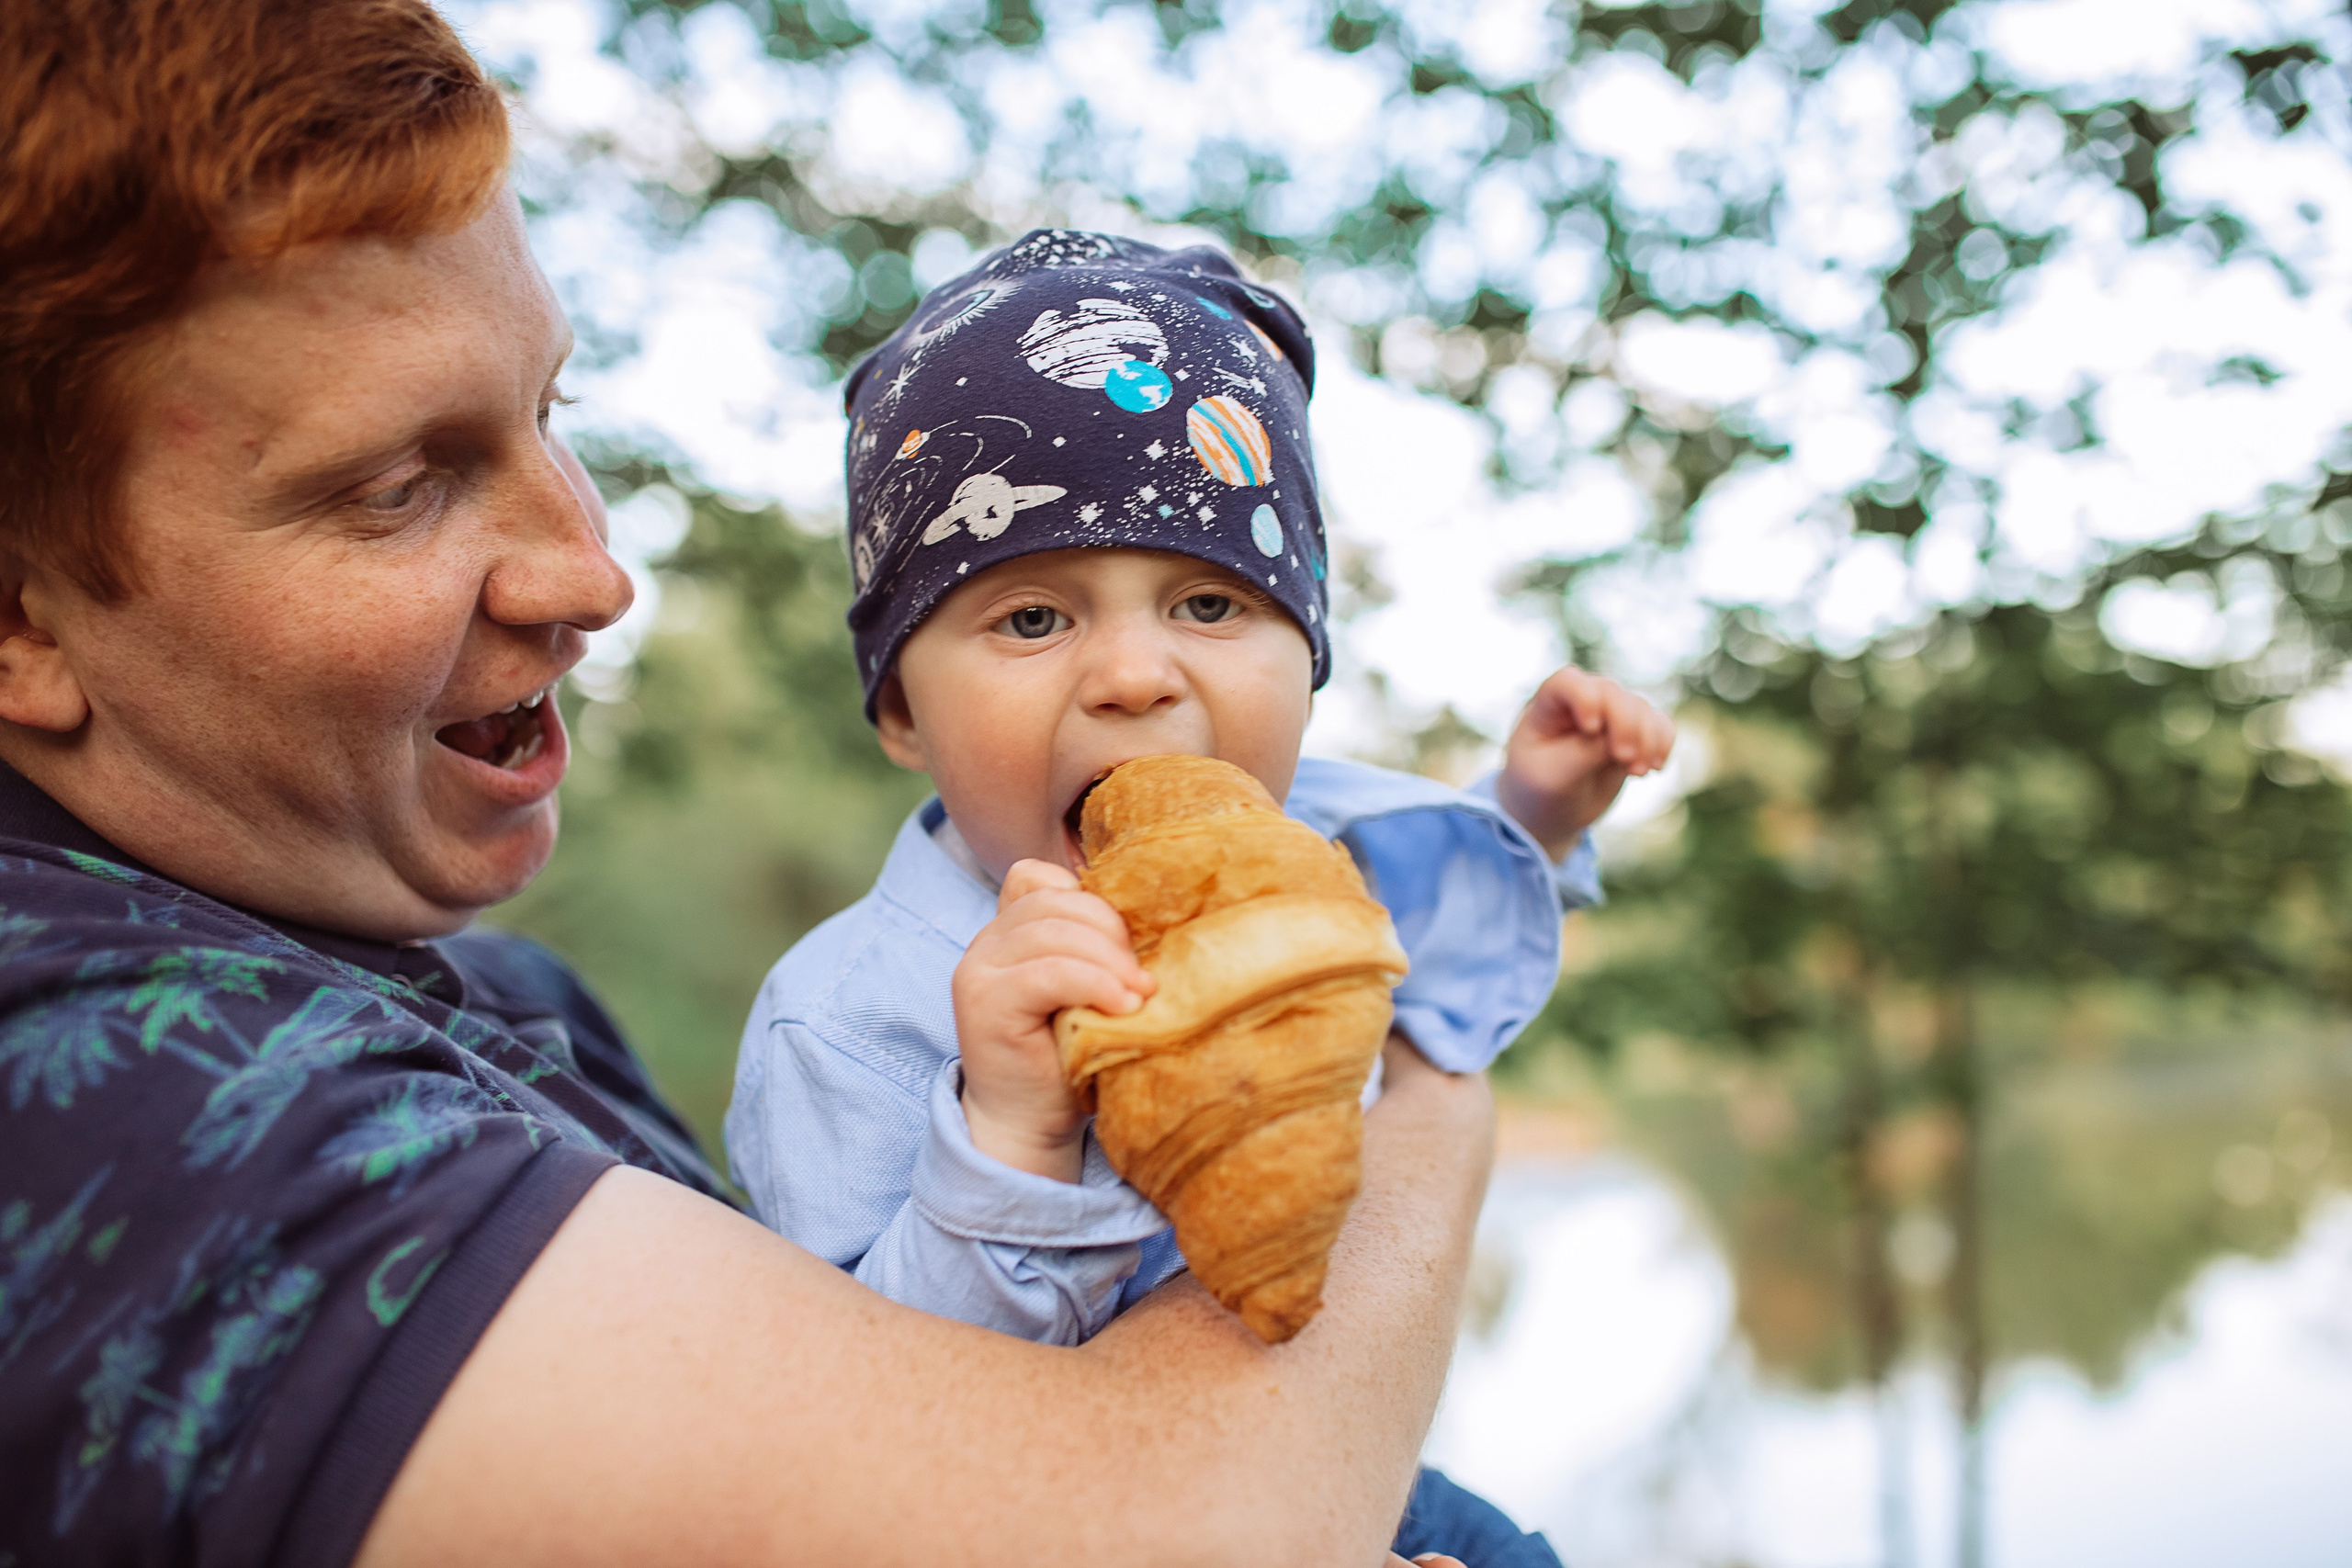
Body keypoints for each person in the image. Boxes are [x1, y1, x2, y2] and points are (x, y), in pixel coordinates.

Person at [0, 5, 1501, 1564]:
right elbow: (1157, 1537)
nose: (594, 574)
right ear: (21, 616)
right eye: (397, 487)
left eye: (548, 415)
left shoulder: (503, 999)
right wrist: (1431, 1097)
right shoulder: (86, 1100)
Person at [725, 232, 1674, 1566]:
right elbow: (861, 1428)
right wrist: (1008, 1133)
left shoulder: (1298, 842)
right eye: (1033, 620)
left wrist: (1535, 813)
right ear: (900, 709)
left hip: (1345, 1457)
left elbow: (1415, 964)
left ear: (1311, 655)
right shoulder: (842, 1020)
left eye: (1212, 602)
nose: (1134, 675)